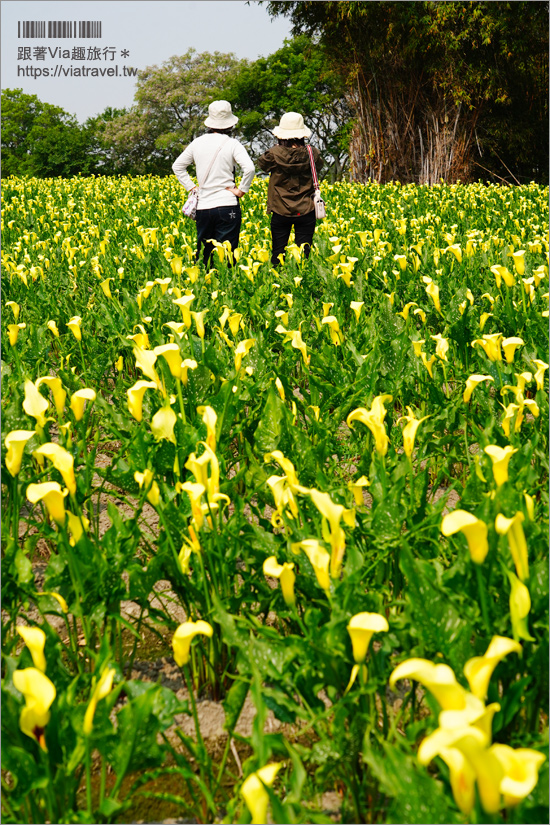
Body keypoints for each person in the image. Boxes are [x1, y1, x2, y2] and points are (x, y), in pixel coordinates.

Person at [172, 100, 255, 267]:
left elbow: (177, 166)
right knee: (227, 253)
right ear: (230, 124)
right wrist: (241, 190)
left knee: (205, 253)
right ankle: (226, 287)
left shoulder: (197, 143)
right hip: (227, 205)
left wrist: (192, 187)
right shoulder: (232, 144)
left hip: (203, 207)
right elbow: (250, 168)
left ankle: (207, 286)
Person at [257, 112, 323, 268]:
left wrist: (278, 149)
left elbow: (262, 165)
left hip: (281, 210)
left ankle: (278, 284)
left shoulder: (273, 154)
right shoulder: (311, 153)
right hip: (306, 209)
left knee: (278, 253)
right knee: (304, 253)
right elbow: (319, 166)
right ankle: (302, 284)